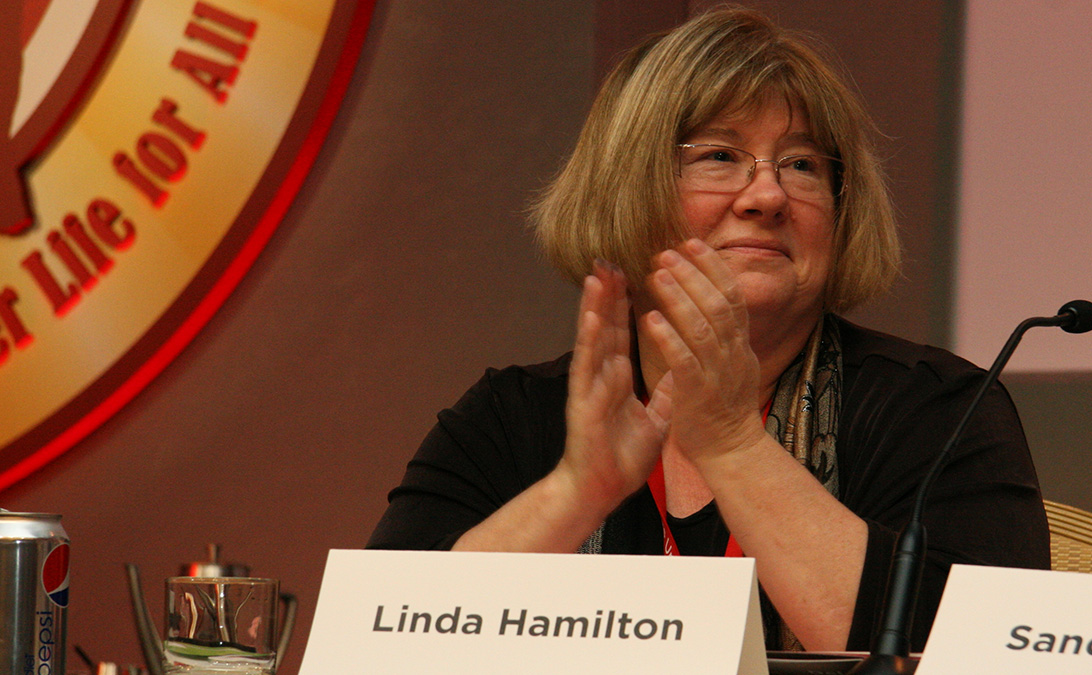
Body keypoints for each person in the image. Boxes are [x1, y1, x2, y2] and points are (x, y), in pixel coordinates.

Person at [367, 7, 1049, 653]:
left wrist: (732, 445)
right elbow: (381, 648)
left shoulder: (939, 413)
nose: (768, 195)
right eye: (720, 156)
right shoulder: (510, 419)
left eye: (803, 165)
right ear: (626, 188)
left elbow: (962, 654)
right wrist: (574, 491)